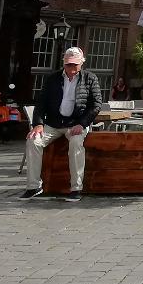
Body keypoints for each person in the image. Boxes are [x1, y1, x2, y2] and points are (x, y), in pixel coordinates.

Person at [22, 47, 103, 202]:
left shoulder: (90, 78)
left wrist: (82, 123)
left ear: (81, 64)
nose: (72, 69)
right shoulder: (53, 78)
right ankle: (33, 186)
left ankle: (76, 188)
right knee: (33, 141)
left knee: (76, 144)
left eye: (75, 65)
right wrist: (38, 124)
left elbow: (96, 104)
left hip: (75, 124)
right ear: (64, 64)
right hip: (54, 123)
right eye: (69, 65)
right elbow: (41, 103)